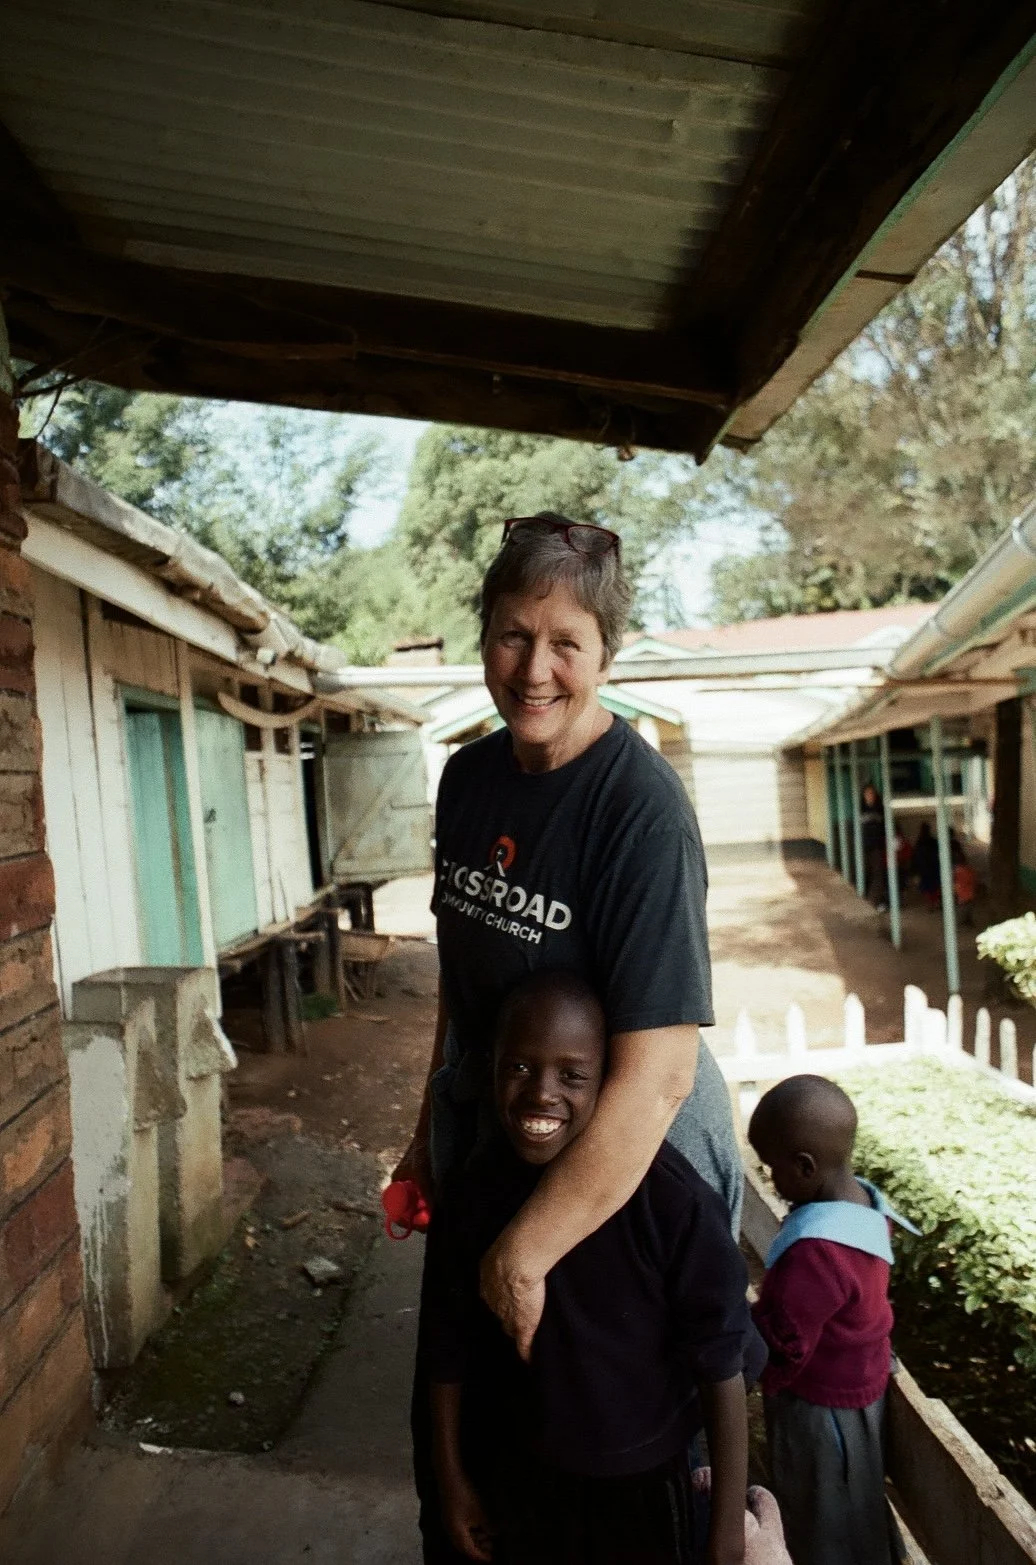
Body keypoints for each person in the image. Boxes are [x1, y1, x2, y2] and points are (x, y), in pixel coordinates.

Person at [394, 514, 743, 1559]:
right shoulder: (468, 778)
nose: (533, 668)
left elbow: (661, 1072)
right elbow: (464, 980)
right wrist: (427, 1130)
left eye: (565, 643)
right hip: (501, 1123)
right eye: (512, 634)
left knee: (604, 1446)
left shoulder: (639, 808)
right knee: (473, 1438)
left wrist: (525, 1249)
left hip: (622, 1167)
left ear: (607, 654)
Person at [425, 971, 761, 1565]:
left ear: (611, 1084)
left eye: (572, 1076)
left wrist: (726, 1528)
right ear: (491, 1068)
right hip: (520, 1480)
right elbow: (445, 1347)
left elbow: (721, 1366)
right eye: (519, 1067)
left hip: (645, 1487)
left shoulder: (672, 1202)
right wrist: (451, 1480)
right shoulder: (475, 1194)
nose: (541, 1093)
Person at [747, 1076, 919, 1565]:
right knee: (854, 1496)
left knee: (822, 1506)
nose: (770, 1180)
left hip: (822, 1405)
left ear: (805, 1167)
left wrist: (747, 1363)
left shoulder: (818, 1252)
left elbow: (787, 1343)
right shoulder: (864, 1207)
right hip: (860, 1386)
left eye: (771, 1168)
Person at [859, 783, 887, 909]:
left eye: (872, 794)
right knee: (867, 873)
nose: (870, 796)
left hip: (876, 846)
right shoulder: (861, 808)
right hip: (864, 846)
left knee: (878, 874)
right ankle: (868, 899)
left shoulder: (880, 809)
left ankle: (873, 901)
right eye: (868, 794)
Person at [912, 821, 940, 911]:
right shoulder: (933, 841)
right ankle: (935, 902)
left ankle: (930, 904)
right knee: (935, 886)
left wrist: (915, 869)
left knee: (926, 887)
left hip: (923, 868)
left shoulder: (918, 842)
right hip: (934, 867)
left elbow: (915, 857)